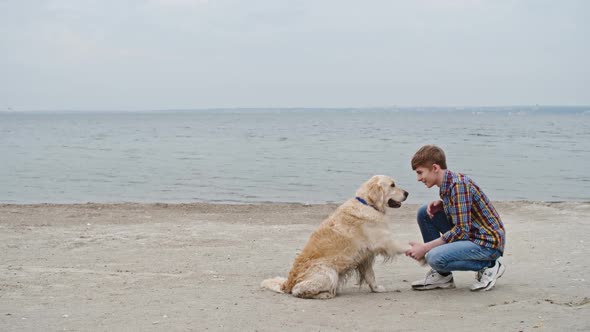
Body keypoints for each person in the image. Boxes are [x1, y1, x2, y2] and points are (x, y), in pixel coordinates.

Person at [405, 145, 506, 291]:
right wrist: (443, 206)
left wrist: (425, 248)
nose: (418, 178)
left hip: (488, 243)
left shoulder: (458, 186)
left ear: (435, 168)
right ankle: (442, 276)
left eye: (420, 173)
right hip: (473, 235)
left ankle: (490, 266)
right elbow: (464, 217)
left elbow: (461, 230)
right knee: (424, 213)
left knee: (433, 257)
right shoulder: (447, 185)